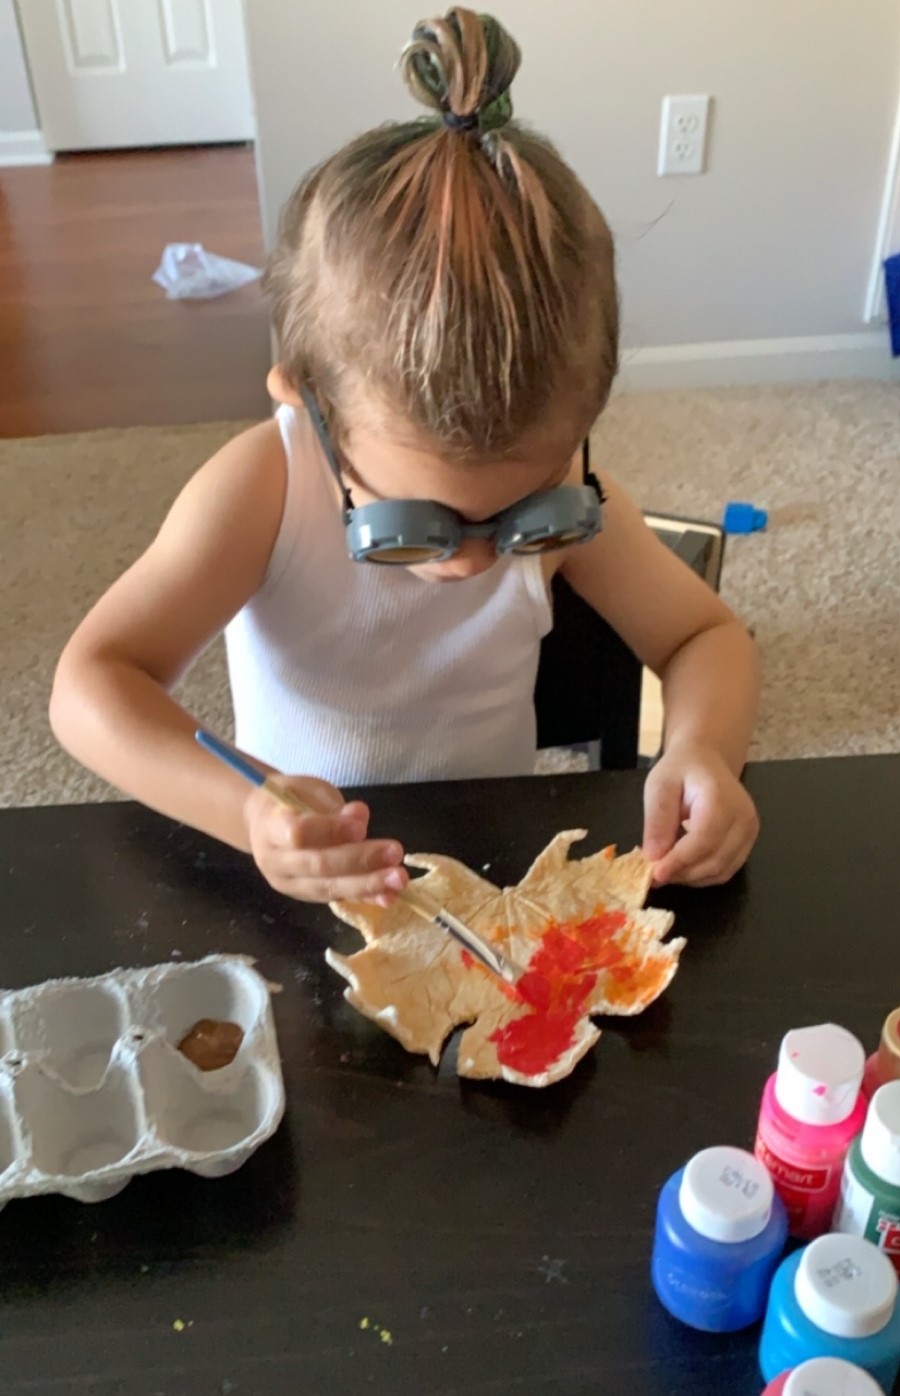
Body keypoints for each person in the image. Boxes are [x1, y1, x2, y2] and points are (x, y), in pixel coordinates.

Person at [50, 7, 760, 908]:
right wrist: (251, 815)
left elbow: (707, 636)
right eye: (408, 528)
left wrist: (702, 749)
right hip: (310, 885)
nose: (472, 560)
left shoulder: (585, 497)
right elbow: (90, 684)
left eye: (528, 516)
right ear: (308, 406)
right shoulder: (263, 489)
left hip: (488, 871)